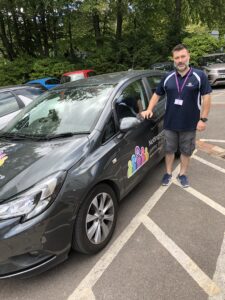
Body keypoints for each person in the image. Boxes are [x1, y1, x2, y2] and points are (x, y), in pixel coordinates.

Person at [141, 44, 212, 188]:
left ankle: (183, 174)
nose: (180, 60)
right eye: (177, 58)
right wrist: (149, 109)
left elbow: (207, 97)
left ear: (188, 57)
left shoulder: (199, 76)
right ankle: (168, 173)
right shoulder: (168, 77)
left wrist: (203, 119)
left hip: (190, 124)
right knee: (169, 150)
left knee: (186, 151)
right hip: (170, 123)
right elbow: (157, 94)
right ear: (173, 59)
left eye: (183, 57)